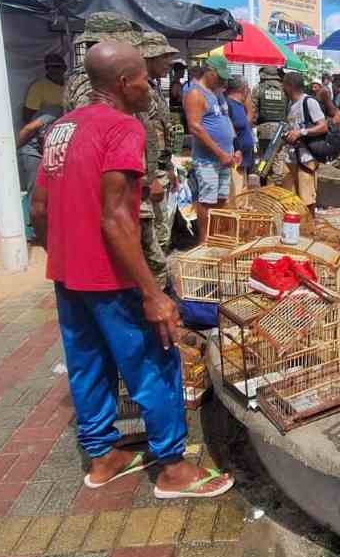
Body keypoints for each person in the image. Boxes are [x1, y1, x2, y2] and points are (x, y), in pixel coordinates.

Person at [31, 41, 232, 499]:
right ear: (123, 83)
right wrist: (152, 293)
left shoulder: (60, 129)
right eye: (145, 77)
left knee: (87, 364)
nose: (153, 85)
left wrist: (64, 255)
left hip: (67, 274)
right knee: (155, 365)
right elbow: (115, 217)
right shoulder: (123, 128)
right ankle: (174, 470)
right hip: (113, 275)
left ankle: (102, 457)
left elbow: (40, 208)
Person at [184, 54, 240, 244]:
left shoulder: (216, 94)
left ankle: (218, 237)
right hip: (208, 159)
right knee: (207, 199)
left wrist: (235, 148)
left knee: (221, 198)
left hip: (224, 157)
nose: (223, 81)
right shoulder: (195, 93)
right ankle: (204, 241)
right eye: (220, 76)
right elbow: (195, 127)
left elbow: (226, 121)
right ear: (210, 72)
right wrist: (219, 152)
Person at [138, 33, 179, 286]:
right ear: (150, 56)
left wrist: (169, 167)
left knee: (161, 235)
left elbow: (160, 131)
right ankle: (155, 292)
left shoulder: (152, 87)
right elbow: (142, 135)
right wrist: (149, 177)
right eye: (165, 58)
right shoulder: (139, 89)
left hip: (160, 170)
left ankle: (157, 287)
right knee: (152, 238)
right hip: (149, 176)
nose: (168, 64)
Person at [16, 95, 63, 242]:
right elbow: (29, 128)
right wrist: (9, 152)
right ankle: (32, 231)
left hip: (47, 151)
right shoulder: (54, 112)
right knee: (35, 189)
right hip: (33, 151)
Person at [281, 73, 328, 212]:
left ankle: (309, 227)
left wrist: (301, 132)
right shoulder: (290, 104)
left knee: (307, 199)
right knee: (289, 199)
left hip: (306, 158)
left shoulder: (309, 102)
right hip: (290, 157)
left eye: (284, 85)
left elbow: (323, 126)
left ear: (290, 86)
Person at [224, 77, 255, 198]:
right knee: (236, 197)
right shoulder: (229, 105)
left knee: (243, 195)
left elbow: (247, 121)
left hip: (244, 162)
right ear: (243, 89)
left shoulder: (239, 105)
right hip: (235, 161)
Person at [22, 54, 66, 125]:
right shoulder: (38, 87)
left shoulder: (70, 84)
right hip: (47, 127)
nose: (53, 70)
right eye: (49, 67)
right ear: (46, 69)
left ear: (64, 68)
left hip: (67, 124)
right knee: (55, 109)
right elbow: (28, 116)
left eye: (57, 66)